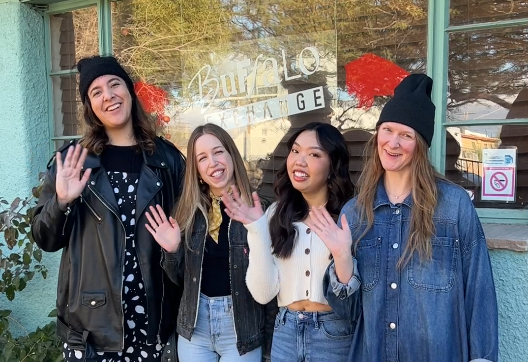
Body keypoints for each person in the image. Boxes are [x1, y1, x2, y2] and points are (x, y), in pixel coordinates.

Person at [311, 74, 499, 362]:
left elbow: (479, 291)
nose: (393, 143)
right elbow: (348, 315)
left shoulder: (453, 205)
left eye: (406, 135)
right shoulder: (355, 213)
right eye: (387, 130)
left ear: (420, 145)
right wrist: (341, 256)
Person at [31, 55, 186, 362]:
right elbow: (45, 238)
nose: (109, 96)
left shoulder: (167, 160)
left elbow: (188, 238)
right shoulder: (74, 161)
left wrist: (174, 251)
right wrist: (61, 202)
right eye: (96, 92)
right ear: (90, 107)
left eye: (115, 84)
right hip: (92, 329)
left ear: (129, 91)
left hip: (152, 322)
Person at [221, 122, 356, 362]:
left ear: (333, 165)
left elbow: (354, 302)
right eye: (295, 151)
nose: (300, 161)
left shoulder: (351, 216)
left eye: (314, 154)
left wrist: (341, 253)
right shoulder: (276, 213)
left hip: (334, 334)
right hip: (286, 331)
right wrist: (257, 229)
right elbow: (263, 294)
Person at [144, 123, 276, 362]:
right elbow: (178, 280)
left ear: (231, 155)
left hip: (241, 329)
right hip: (195, 327)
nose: (212, 163)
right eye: (202, 158)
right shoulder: (186, 213)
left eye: (218, 152)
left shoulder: (260, 210)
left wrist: (269, 344)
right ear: (196, 169)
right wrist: (172, 251)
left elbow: (270, 285)